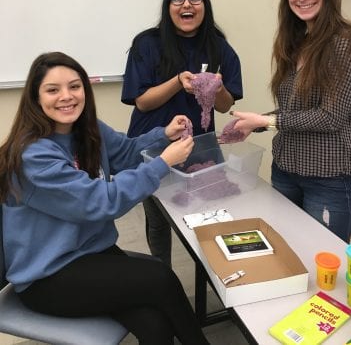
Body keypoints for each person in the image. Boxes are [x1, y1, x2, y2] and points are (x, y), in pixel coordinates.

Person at [0, 52, 210, 345]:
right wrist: (162, 163)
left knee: (155, 323)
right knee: (160, 278)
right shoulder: (33, 156)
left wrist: (164, 134)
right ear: (35, 98)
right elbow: (100, 201)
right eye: (52, 90)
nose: (66, 96)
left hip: (90, 254)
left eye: (75, 86)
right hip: (48, 276)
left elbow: (126, 153)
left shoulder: (87, 129)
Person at [230, 0, 351, 243]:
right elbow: (294, 109)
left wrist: (267, 121)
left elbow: (331, 117)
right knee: (286, 255)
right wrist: (254, 123)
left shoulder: (345, 42)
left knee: (323, 263)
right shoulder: (296, 43)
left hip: (329, 176)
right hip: (285, 171)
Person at [121, 0, 243, 265]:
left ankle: (212, 272)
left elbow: (226, 105)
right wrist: (177, 81)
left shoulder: (219, 47)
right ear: (169, 6)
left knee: (204, 211)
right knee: (159, 218)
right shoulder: (147, 44)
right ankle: (162, 273)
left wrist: (218, 87)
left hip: (198, 146)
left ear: (204, 5)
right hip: (152, 144)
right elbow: (142, 100)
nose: (186, 4)